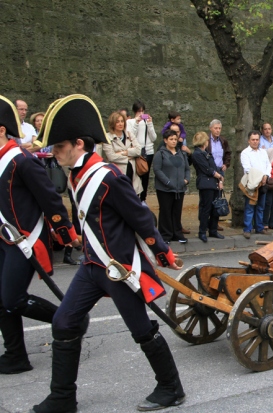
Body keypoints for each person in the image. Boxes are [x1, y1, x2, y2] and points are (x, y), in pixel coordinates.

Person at [32, 94, 185, 412]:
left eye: (58, 147)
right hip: (92, 265)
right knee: (63, 322)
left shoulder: (109, 177)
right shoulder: (76, 175)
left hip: (119, 268)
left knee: (142, 331)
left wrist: (162, 252)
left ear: (77, 143)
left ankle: (171, 387)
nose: (54, 153)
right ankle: (62, 397)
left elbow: (141, 217)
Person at [0, 96, 79, 376]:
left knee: (13, 299)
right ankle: (15, 355)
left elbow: (50, 199)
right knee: (2, 300)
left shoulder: (21, 160)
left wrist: (65, 231)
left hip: (24, 240)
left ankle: (68, 322)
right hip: (3, 238)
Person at [152, 129, 190, 243]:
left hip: (179, 188)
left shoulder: (182, 154)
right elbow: (157, 170)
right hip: (165, 189)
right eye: (171, 139)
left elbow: (187, 169)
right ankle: (165, 235)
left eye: (175, 139)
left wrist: (186, 180)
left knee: (176, 211)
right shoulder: (160, 154)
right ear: (165, 140)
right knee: (165, 211)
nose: (174, 141)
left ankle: (177, 234)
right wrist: (168, 182)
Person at [192, 131, 224, 242]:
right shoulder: (197, 154)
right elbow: (206, 169)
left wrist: (220, 178)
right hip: (206, 183)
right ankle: (202, 231)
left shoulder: (206, 153)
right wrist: (217, 175)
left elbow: (214, 166)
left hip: (214, 183)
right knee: (206, 208)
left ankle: (213, 230)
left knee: (215, 208)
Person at [102, 111, 143, 195]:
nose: (120, 124)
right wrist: (130, 155)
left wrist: (125, 152)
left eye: (122, 121)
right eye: (117, 122)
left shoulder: (129, 134)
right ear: (112, 123)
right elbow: (111, 157)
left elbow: (138, 150)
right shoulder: (107, 138)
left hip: (132, 173)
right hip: (118, 173)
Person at [240, 131, 271, 239]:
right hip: (252, 184)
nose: (255, 141)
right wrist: (261, 176)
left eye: (257, 139)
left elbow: (268, 165)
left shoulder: (263, 152)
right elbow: (248, 168)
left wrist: (266, 176)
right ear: (249, 140)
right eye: (253, 139)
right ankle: (247, 229)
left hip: (263, 183)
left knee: (260, 207)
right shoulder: (245, 153)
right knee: (250, 207)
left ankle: (259, 227)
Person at [127, 100, 157, 202]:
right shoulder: (129, 122)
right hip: (137, 152)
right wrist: (136, 123)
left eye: (142, 111)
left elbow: (153, 138)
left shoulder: (147, 122)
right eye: (138, 111)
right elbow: (131, 136)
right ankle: (134, 197)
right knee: (135, 175)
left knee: (145, 175)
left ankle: (143, 199)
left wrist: (150, 124)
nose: (141, 114)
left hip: (148, 152)